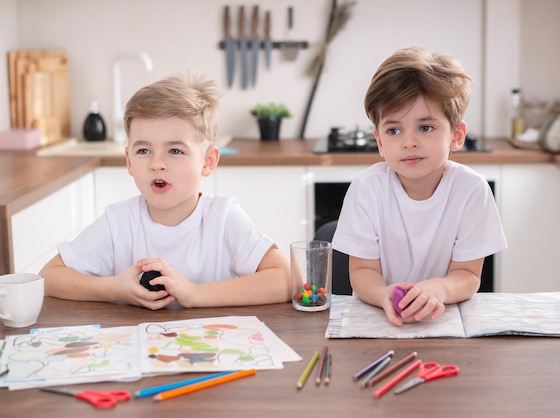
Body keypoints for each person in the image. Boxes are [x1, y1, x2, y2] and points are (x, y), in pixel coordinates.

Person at [40, 73, 291, 310]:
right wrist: (113, 288)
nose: (156, 163)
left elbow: (287, 278)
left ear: (208, 161)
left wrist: (195, 294)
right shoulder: (119, 222)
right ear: (129, 161)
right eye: (144, 151)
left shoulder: (223, 218)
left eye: (175, 151)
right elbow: (49, 277)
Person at [332, 47, 507, 326]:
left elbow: (469, 275)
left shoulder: (471, 190)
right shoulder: (366, 189)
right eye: (394, 130)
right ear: (379, 141)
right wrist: (383, 294)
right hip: (378, 320)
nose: (409, 142)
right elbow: (363, 270)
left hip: (444, 321)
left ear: (457, 135)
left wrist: (437, 289)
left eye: (425, 127)